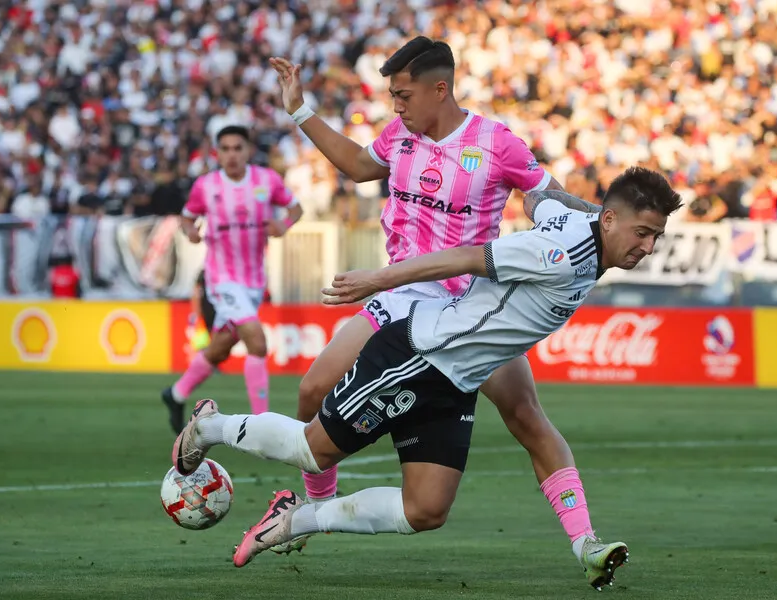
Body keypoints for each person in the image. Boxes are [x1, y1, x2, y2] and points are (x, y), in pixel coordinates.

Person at [172, 167, 681, 588]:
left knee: (426, 510)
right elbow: (462, 259)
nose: (648, 248)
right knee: (312, 451)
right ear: (612, 221)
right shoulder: (558, 256)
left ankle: (295, 520)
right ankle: (210, 426)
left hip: (458, 380)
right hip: (419, 356)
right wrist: (377, 279)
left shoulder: (586, 230)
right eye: (642, 233)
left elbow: (541, 196)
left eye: (655, 236)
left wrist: (589, 210)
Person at [267, 36, 607, 576]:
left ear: (439, 88)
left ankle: (586, 543)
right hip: (401, 294)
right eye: (393, 96)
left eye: (402, 95)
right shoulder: (400, 134)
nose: (395, 107)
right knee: (312, 388)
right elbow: (357, 164)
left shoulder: (497, 143)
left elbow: (548, 196)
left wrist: (603, 220)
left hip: (470, 310)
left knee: (526, 418)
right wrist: (300, 110)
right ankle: (310, 506)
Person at [160, 125, 303, 433]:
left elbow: (296, 208)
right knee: (256, 339)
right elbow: (187, 217)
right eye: (225, 149)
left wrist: (284, 223)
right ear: (217, 153)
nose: (232, 155)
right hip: (221, 277)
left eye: (238, 148)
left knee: (221, 347)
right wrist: (190, 231)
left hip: (253, 280)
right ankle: (262, 424)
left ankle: (175, 394)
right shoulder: (206, 186)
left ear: (248, 151)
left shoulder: (267, 180)